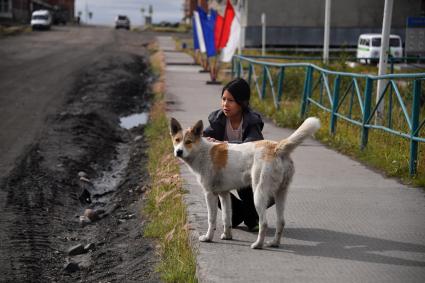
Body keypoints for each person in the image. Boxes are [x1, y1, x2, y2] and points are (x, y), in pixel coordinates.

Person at [203, 77, 264, 230]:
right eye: (223, 99)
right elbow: (203, 137)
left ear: (242, 103)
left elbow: (251, 145)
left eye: (231, 100)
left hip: (250, 169)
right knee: (210, 185)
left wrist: (223, 144)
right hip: (227, 169)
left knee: (244, 184)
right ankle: (237, 215)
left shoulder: (251, 121)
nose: (225, 104)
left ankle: (252, 219)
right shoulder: (218, 119)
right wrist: (207, 141)